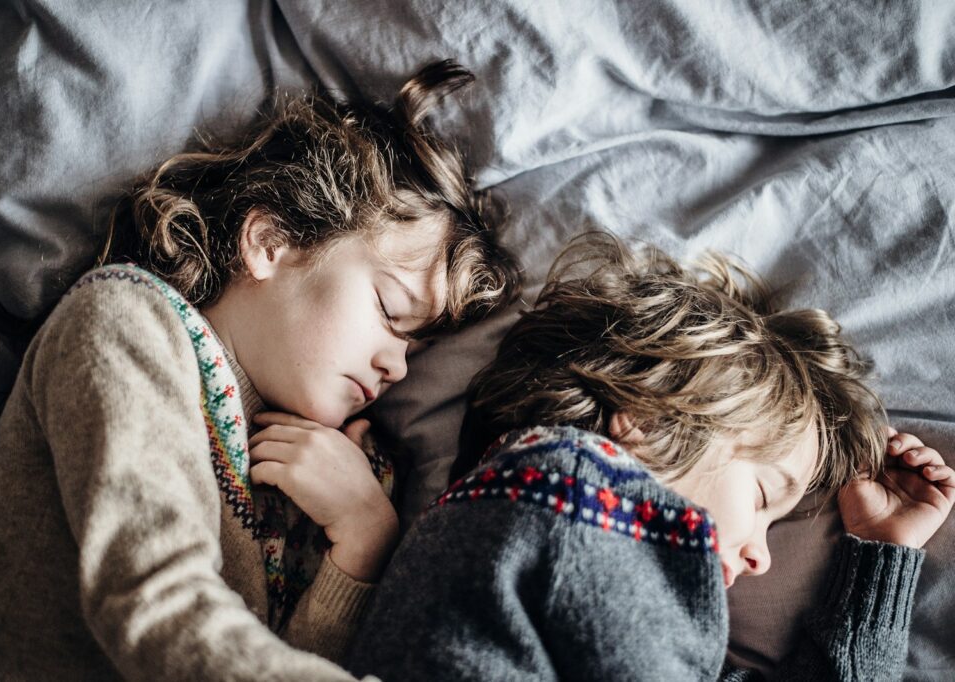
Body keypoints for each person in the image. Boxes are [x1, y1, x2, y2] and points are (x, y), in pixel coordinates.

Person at [0, 60, 520, 681]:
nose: (397, 366)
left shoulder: (343, 479)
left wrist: (363, 546)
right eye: (390, 311)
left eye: (415, 350)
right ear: (270, 242)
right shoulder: (126, 322)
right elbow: (157, 606)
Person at [347, 233, 954, 681]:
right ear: (650, 419)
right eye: (762, 497)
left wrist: (882, 555)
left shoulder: (590, 541)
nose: (761, 557)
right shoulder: (567, 491)